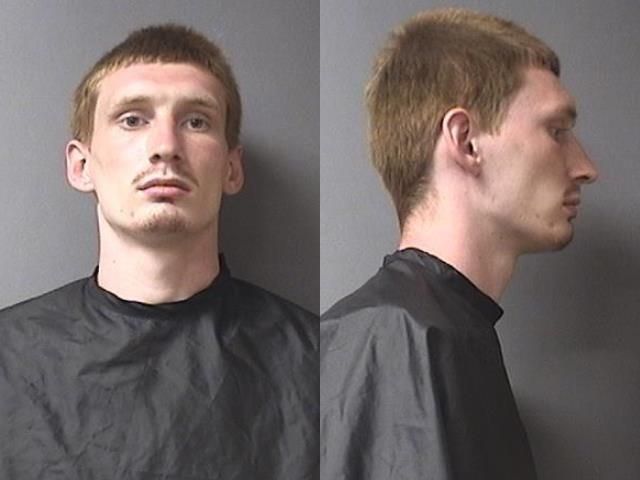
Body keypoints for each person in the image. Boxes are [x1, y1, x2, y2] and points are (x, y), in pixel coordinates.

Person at [0, 24, 318, 479]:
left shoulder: (319, 363)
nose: (166, 147)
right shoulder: (10, 359)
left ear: (231, 169)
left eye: (196, 121)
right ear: (81, 165)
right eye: (133, 119)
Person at [321, 8, 597, 480]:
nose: (586, 167)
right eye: (556, 131)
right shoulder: (401, 337)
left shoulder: (440, 334)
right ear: (466, 142)